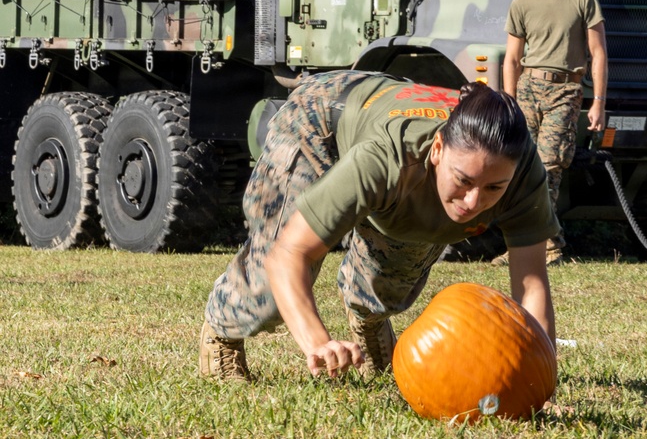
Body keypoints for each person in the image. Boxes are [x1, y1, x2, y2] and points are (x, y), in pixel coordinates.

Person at [199, 71, 558, 380]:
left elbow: (531, 284)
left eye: (494, 188)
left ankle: (367, 322)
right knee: (270, 288)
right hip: (321, 118)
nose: (473, 203)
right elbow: (287, 254)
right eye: (463, 180)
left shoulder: (523, 172)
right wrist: (318, 341)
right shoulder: (387, 158)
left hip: (388, 135)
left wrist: (540, 380)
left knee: (392, 280)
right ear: (437, 150)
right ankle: (223, 331)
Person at [492, 0, 608, 267]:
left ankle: (545, 245)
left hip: (565, 90)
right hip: (528, 89)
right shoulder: (522, 3)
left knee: (549, 166)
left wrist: (598, 101)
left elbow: (598, 54)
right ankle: (526, 244)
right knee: (519, 168)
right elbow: (512, 59)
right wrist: (510, 102)